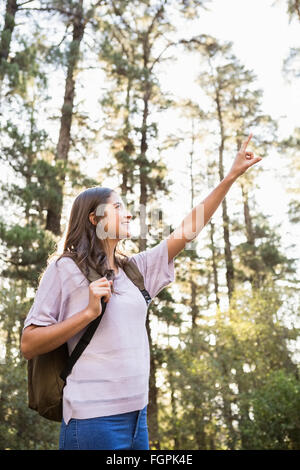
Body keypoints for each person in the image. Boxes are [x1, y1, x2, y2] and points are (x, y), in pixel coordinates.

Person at [20, 133, 261, 450]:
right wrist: (88, 313)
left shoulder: (136, 269)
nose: (130, 213)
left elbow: (189, 229)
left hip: (137, 418)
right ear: (95, 218)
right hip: (93, 420)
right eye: (118, 207)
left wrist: (229, 177)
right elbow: (29, 343)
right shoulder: (64, 268)